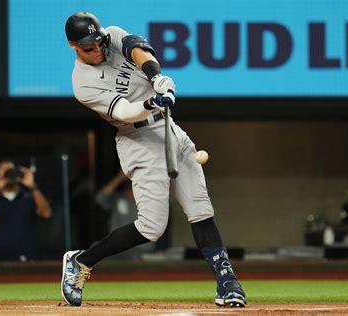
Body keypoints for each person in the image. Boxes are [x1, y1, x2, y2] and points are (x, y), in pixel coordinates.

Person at [61, 12, 246, 307]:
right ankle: (82, 260)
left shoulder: (112, 35)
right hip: (137, 139)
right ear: (73, 46)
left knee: (200, 207)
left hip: (168, 127)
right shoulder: (82, 83)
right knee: (151, 228)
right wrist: (151, 101)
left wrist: (156, 77)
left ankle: (228, 283)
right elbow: (123, 112)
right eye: (88, 47)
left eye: (98, 42)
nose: (96, 49)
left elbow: (139, 50)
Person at [0, 160, 52, 261]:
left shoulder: (28, 197)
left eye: (10, 171)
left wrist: (32, 186)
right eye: (4, 172)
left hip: (26, 255)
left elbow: (46, 213)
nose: (8, 174)